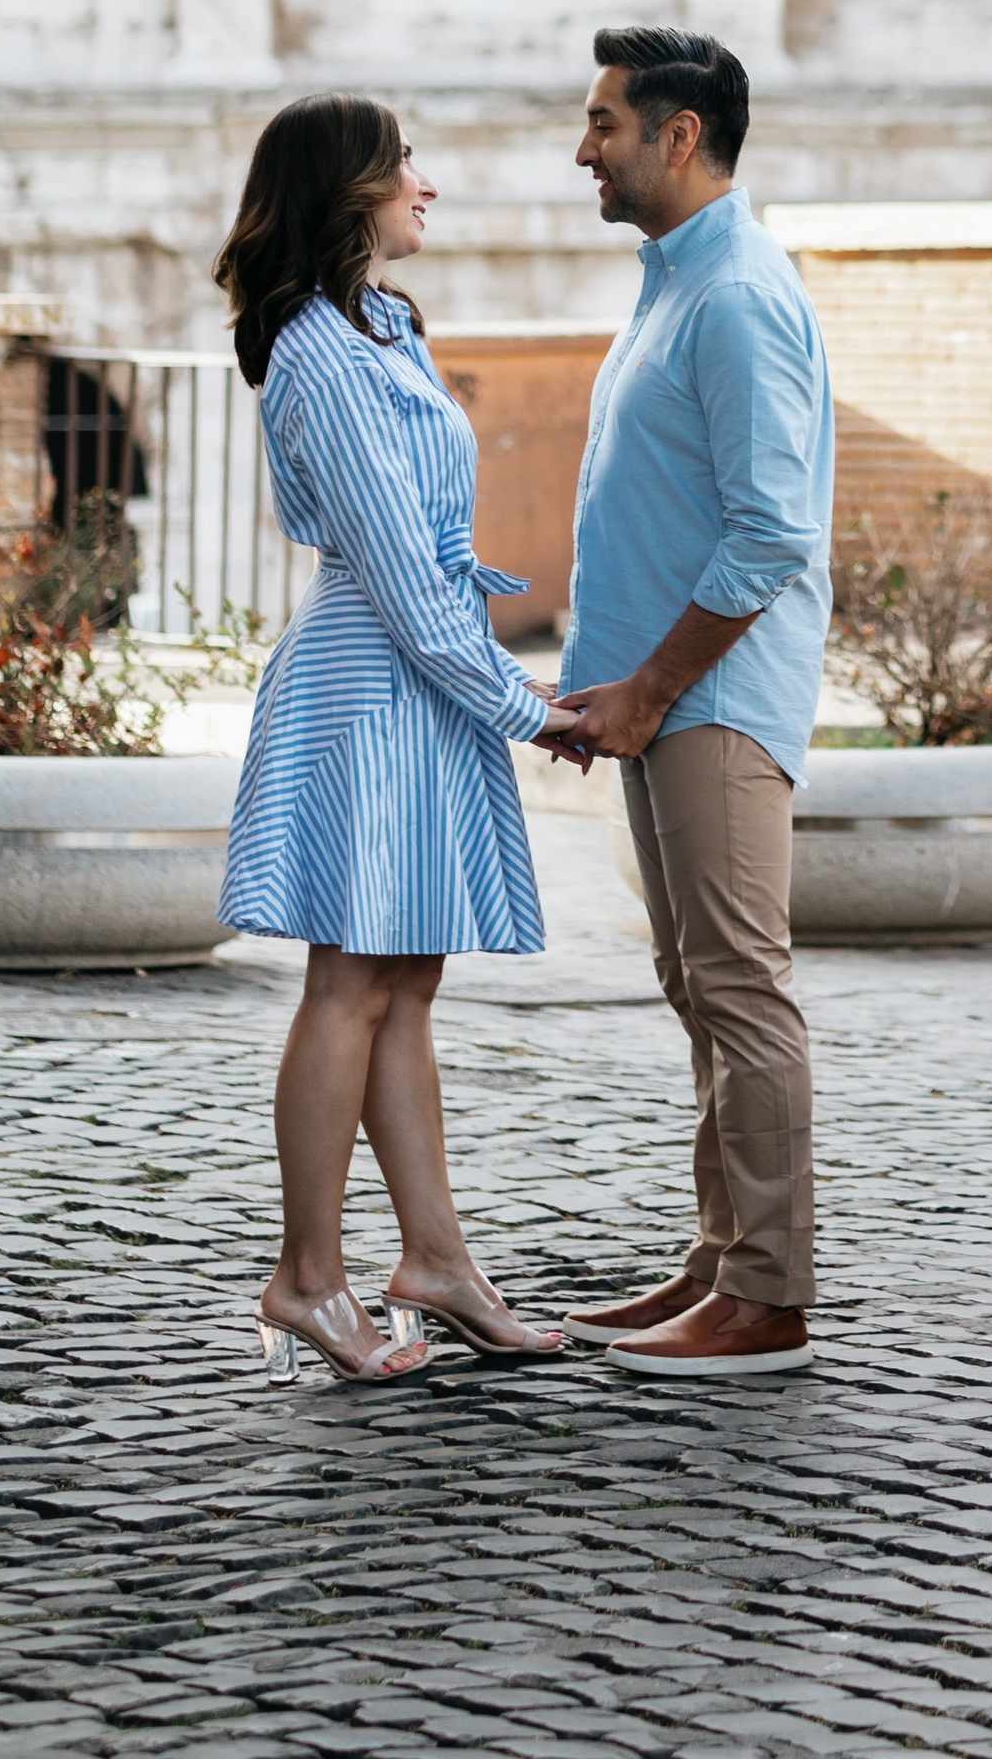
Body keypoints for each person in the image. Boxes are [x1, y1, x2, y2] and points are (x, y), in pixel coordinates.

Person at [215, 92, 588, 1383]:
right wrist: (525, 707)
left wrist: (503, 689)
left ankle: (435, 1261)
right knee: (351, 979)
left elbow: (428, 577)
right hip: (369, 686)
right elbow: (400, 576)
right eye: (403, 165)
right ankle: (307, 1278)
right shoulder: (318, 353)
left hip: (414, 679)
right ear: (346, 193)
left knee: (404, 980)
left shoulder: (384, 324)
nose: (425, 184)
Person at [551, 25, 833, 1381]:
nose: (584, 151)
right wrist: (607, 690)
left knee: (738, 985)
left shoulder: (736, 293)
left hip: (711, 701)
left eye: (604, 124)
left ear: (678, 134)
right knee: (697, 982)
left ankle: (767, 1295)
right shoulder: (678, 281)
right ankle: (722, 1261)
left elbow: (770, 534)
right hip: (661, 701)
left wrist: (652, 689)